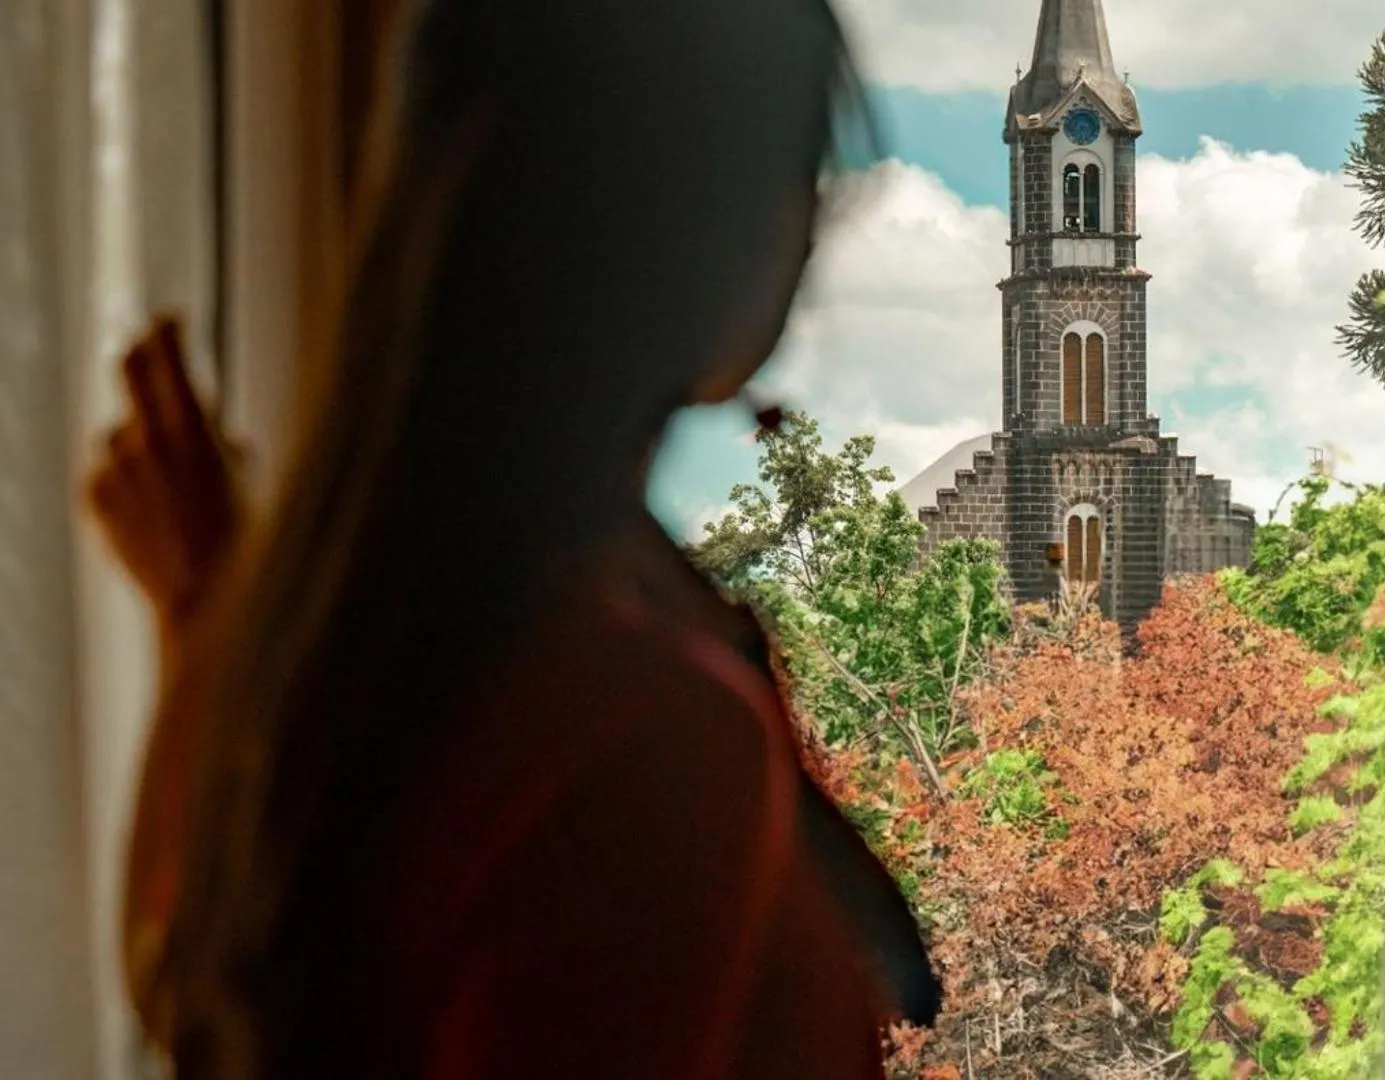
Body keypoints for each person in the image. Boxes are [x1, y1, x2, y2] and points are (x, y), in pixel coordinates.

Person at [82, 1, 938, 1077]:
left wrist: (207, 621)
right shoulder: (640, 735)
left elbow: (188, 981)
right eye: (805, 183)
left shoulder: (364, 647)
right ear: (734, 236)